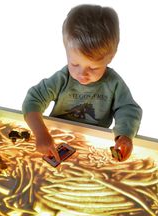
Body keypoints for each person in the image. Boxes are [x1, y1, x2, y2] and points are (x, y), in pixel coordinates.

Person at [22, 4, 142, 162]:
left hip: (90, 145)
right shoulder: (63, 78)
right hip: (56, 137)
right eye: (74, 64)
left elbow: (128, 108)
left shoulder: (114, 83)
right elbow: (33, 99)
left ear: (110, 58)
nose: (82, 73)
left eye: (93, 67)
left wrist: (124, 135)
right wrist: (41, 133)